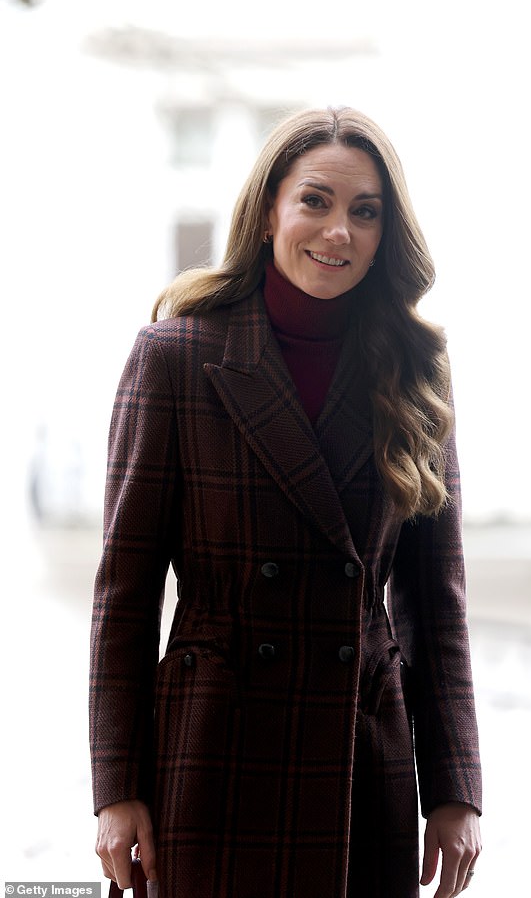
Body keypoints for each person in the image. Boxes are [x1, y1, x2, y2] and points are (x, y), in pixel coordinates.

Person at [90, 105, 482, 898]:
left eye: (364, 212)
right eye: (315, 200)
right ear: (270, 207)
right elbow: (125, 594)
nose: (338, 231)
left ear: (385, 233)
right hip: (213, 753)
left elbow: (434, 602)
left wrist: (455, 787)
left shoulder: (413, 370)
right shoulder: (176, 358)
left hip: (360, 759)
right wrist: (115, 787)